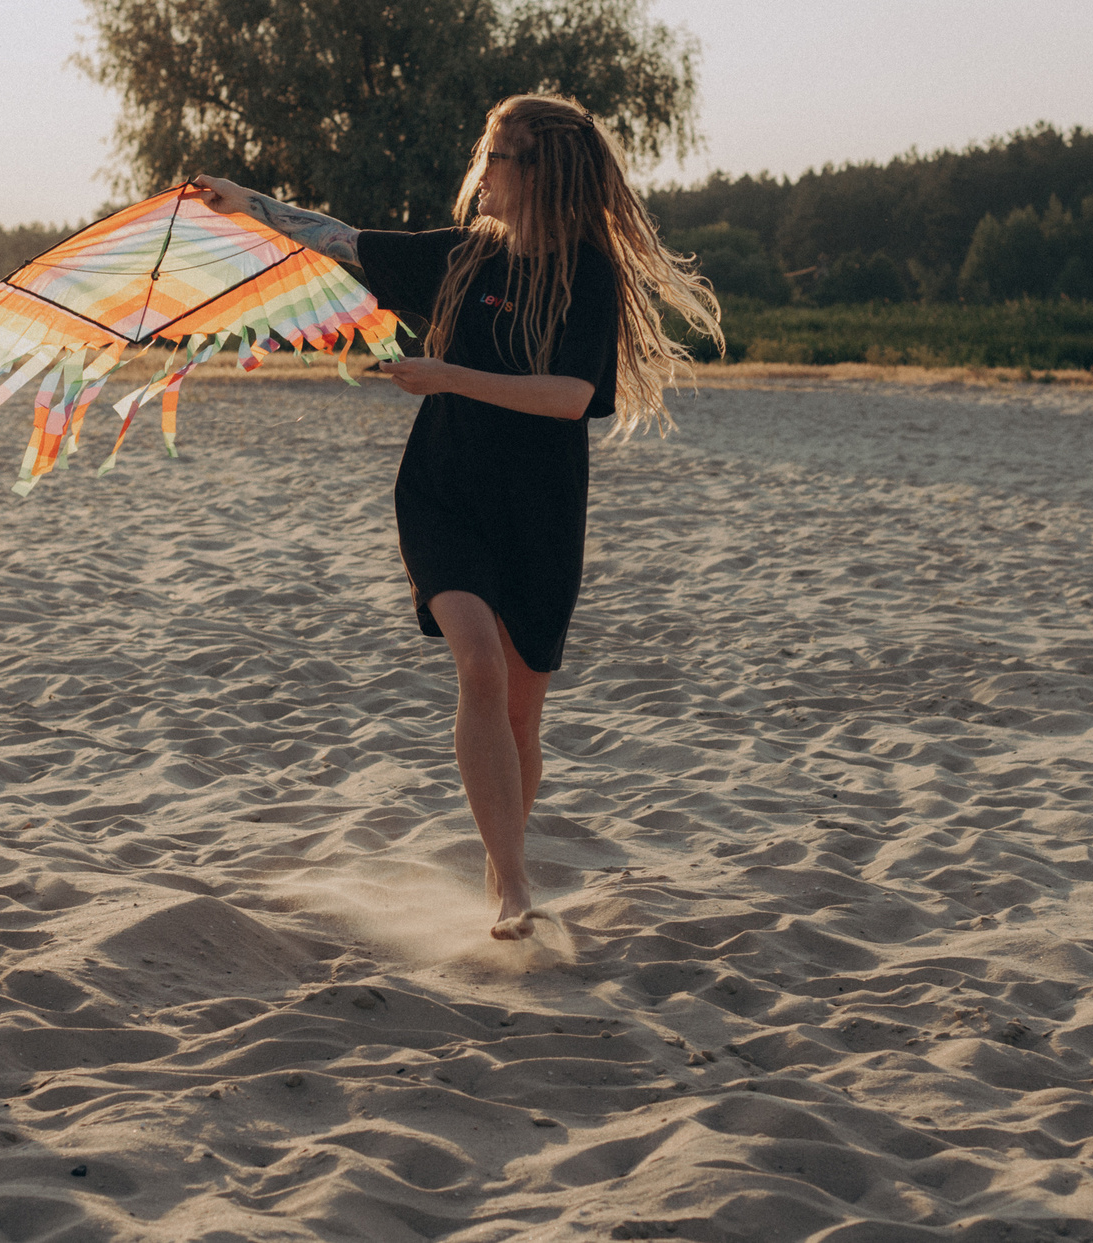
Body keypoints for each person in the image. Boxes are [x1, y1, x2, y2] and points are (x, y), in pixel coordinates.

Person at [189, 93, 721, 939]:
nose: (483, 167)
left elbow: (572, 397)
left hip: (541, 512)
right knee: (479, 664)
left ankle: (498, 852)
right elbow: (342, 239)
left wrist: (450, 375)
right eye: (486, 148)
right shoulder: (462, 258)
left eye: (499, 153)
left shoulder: (586, 273)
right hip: (444, 492)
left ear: (538, 171)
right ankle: (512, 884)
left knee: (521, 713)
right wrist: (247, 201)